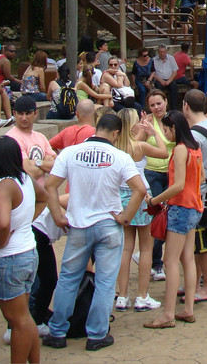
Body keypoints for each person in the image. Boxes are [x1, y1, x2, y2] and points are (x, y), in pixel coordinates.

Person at [42, 114, 147, 352]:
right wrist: (126, 217)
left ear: (96, 129)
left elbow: (50, 185)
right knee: (105, 282)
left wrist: (58, 214)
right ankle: (97, 334)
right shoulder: (121, 157)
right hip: (109, 224)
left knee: (68, 278)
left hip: (79, 224)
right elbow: (139, 189)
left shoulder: (70, 153)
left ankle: (57, 331)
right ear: (116, 134)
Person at [0, 137, 47, 364]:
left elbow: (2, 223)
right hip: (27, 252)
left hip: (9, 257)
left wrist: (2, 238)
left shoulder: (4, 186)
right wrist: (23, 223)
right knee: (24, 317)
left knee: (17, 319)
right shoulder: (25, 179)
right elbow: (44, 197)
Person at [142, 111, 203, 329]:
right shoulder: (194, 147)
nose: (166, 134)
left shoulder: (179, 149)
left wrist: (155, 200)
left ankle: (167, 313)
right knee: (187, 257)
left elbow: (177, 184)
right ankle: (187, 308)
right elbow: (201, 177)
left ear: (174, 129)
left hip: (181, 207)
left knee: (170, 261)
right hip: (194, 205)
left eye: (166, 130)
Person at [114, 108, 167, 313]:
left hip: (122, 197)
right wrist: (153, 133)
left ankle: (123, 294)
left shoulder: (117, 146)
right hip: (141, 195)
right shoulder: (140, 146)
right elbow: (163, 153)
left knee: (126, 247)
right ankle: (142, 295)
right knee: (146, 247)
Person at [183, 89, 207, 303]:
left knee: (202, 243)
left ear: (186, 105)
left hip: (200, 192)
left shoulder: (195, 134)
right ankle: (196, 283)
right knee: (200, 243)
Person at [135, 89, 174, 281]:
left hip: (172, 173)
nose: (157, 108)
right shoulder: (145, 123)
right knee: (158, 216)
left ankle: (159, 259)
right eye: (152, 105)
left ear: (166, 102)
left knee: (170, 217)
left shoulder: (174, 120)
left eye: (159, 103)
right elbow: (135, 146)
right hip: (152, 173)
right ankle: (155, 261)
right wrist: (144, 130)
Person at [152, 45, 179, 110]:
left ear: (166, 51)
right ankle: (161, 106)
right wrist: (161, 80)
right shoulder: (154, 60)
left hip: (169, 79)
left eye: (163, 52)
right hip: (159, 79)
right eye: (160, 52)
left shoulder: (171, 58)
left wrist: (169, 81)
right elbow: (152, 73)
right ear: (158, 52)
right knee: (158, 89)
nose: (162, 53)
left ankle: (174, 107)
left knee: (174, 87)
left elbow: (175, 72)